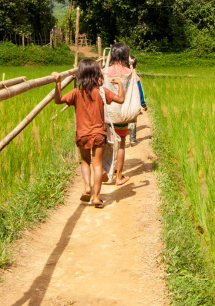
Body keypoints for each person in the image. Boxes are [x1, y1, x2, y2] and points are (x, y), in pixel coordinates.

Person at [53, 59, 124, 208]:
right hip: (99, 134)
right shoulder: (102, 91)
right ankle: (97, 198)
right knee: (97, 165)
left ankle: (87, 187)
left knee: (85, 161)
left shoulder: (76, 93)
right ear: (97, 75)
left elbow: (58, 100)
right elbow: (121, 99)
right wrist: (120, 84)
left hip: (82, 134)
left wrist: (58, 82)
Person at [102, 42, 133, 185]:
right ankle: (119, 176)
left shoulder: (104, 72)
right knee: (121, 144)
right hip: (122, 115)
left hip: (106, 113)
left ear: (112, 54)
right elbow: (136, 84)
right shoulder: (129, 72)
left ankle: (103, 170)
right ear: (125, 55)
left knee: (106, 143)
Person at [128, 55, 148, 146]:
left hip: (121, 101)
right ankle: (132, 139)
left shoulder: (120, 74)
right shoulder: (135, 76)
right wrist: (143, 104)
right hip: (132, 102)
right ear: (135, 65)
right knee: (132, 119)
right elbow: (140, 92)